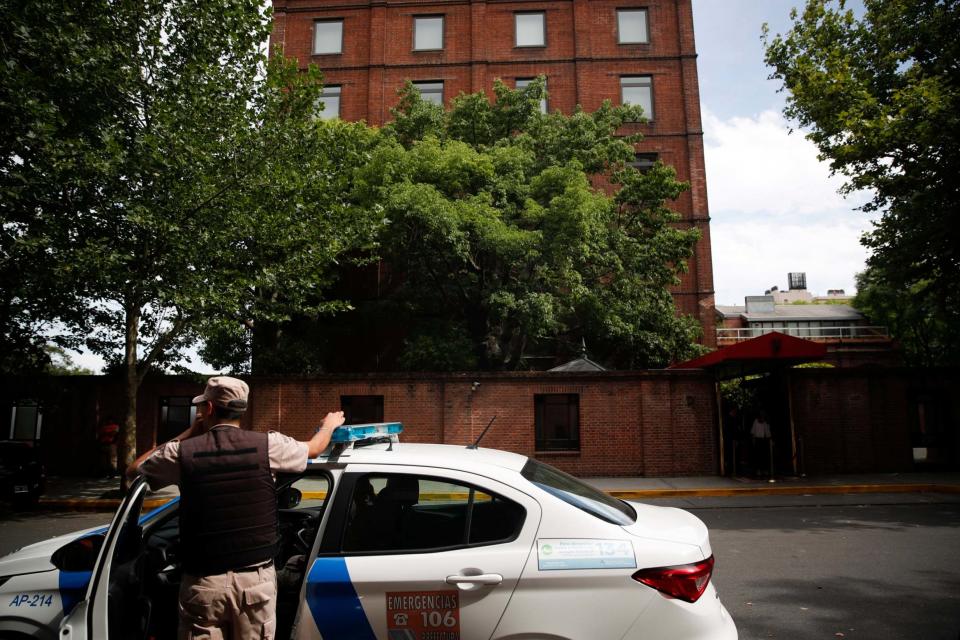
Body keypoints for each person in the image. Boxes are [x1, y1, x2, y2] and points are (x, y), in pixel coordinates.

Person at [125, 376, 344, 640]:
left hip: (203, 585)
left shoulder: (182, 453)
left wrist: (190, 433)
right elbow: (314, 449)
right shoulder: (268, 446)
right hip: (255, 583)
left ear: (208, 409)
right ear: (242, 409)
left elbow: (135, 470)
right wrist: (329, 425)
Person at [750, 411, 772, 476]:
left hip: (765, 440)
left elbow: (768, 431)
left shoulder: (766, 422)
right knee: (758, 456)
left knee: (765, 456)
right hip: (758, 439)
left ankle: (765, 469)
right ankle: (758, 470)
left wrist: (770, 439)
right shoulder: (756, 421)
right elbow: (753, 431)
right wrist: (753, 439)